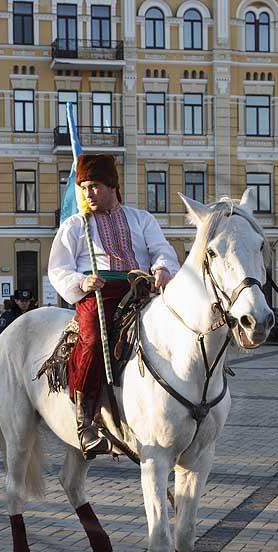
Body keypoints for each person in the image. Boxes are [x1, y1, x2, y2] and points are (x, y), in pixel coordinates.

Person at [48, 153, 180, 458]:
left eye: (93, 186)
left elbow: (162, 250)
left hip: (141, 289)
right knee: (94, 339)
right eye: (83, 188)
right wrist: (82, 282)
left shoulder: (141, 219)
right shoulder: (76, 225)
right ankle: (85, 421)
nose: (88, 193)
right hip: (100, 293)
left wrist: (162, 268)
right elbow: (58, 268)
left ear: (111, 185)